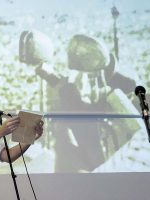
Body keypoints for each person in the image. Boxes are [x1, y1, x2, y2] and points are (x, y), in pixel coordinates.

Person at [20, 31, 140, 172]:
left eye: (91, 79)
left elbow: (140, 136)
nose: (85, 86)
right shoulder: (70, 96)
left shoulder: (117, 96)